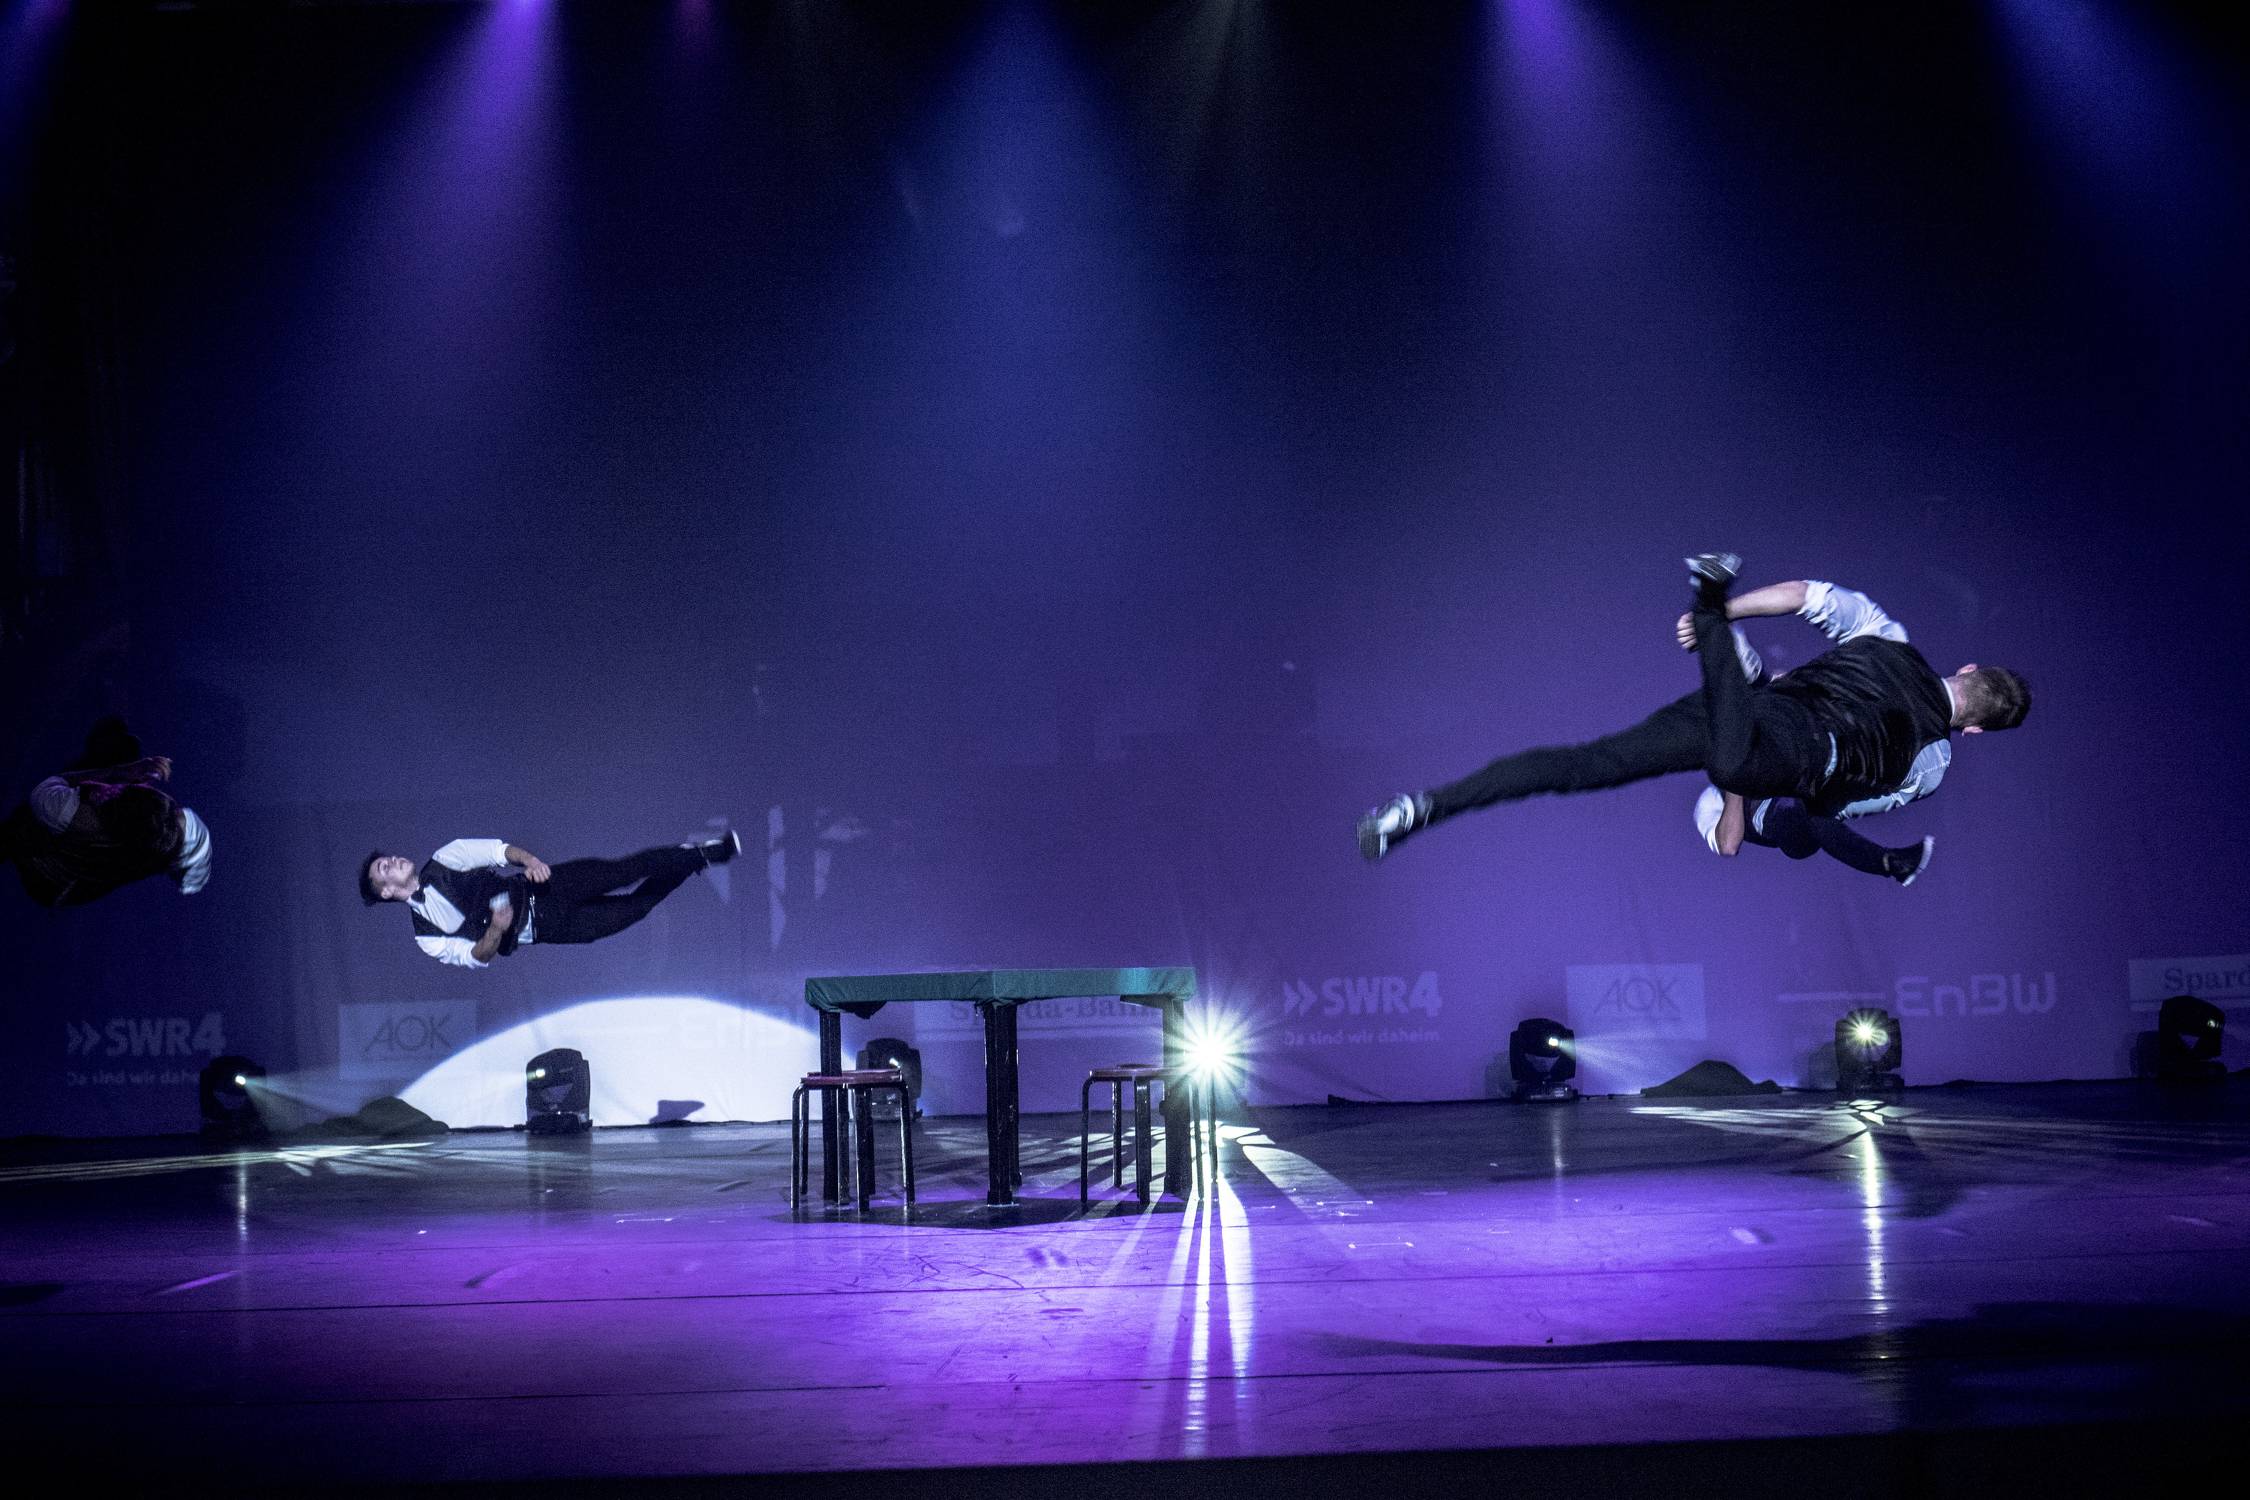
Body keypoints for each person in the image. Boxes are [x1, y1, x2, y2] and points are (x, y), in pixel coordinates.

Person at [1357, 554, 2030, 865]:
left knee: (1585, 764)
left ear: (1968, 669)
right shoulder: (1932, 762)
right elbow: (1835, 806)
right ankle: (1709, 607)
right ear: (1974, 729)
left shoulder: (1889, 636)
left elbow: (1806, 593)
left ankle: (1422, 809)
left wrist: (1738, 612)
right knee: (1734, 757)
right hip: (1781, 748)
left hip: (1750, 711)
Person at [359, 831, 740, 968]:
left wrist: (532, 861)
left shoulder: (445, 858)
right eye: (384, 868)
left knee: (624, 871)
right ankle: (688, 861)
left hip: (546, 888)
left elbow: (497, 851)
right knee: (635, 909)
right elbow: (474, 957)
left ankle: (705, 853)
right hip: (551, 928)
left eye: (387, 858)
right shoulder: (426, 937)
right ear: (387, 892)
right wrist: (496, 930)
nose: (392, 860)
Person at [2, 717, 211, 906]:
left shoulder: (66, 811)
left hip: (41, 849)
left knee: (124, 751)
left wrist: (120, 772)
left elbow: (50, 793)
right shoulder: (148, 849)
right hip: (55, 880)